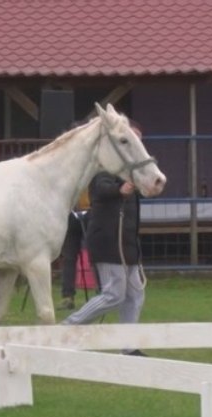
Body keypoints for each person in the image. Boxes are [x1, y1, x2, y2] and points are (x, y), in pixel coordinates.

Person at [62, 123, 148, 357]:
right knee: (114, 295)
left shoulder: (134, 172)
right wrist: (122, 189)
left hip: (128, 244)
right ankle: (68, 327)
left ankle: (129, 347)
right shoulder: (103, 169)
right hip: (108, 242)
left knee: (135, 294)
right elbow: (100, 190)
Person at [56, 191, 90, 310]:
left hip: (91, 212)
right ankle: (68, 296)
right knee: (68, 257)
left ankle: (104, 293)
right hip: (71, 214)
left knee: (96, 255)